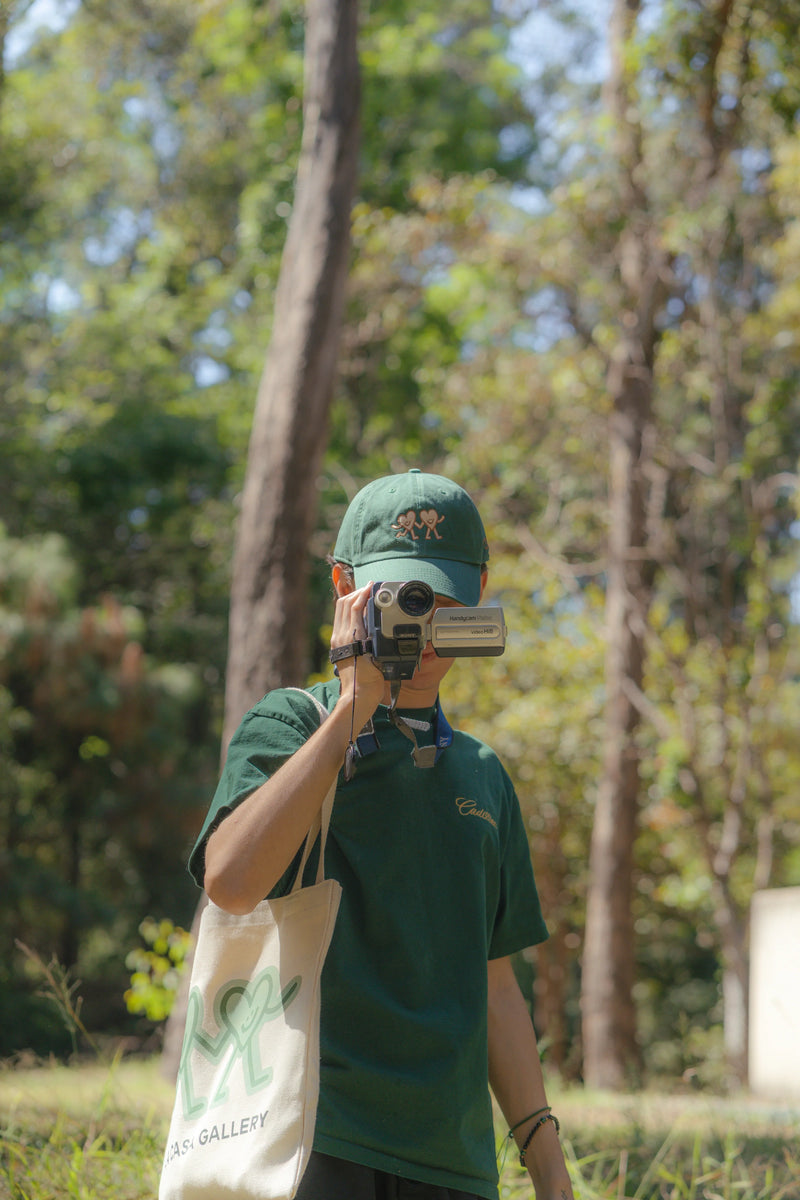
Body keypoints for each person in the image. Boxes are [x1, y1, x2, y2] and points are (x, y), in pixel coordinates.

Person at [189, 469, 575, 1200]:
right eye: (401, 596)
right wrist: (351, 711)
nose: (424, 622)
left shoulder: (483, 774)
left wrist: (547, 1167)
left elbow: (496, 987)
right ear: (345, 585)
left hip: (453, 1160)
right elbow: (230, 884)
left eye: (443, 594)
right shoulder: (292, 724)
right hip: (306, 1138)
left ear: (482, 590)